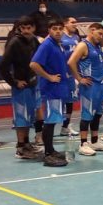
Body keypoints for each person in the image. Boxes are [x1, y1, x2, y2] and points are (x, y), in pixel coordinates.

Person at [30, 19, 72, 166]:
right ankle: (48, 153)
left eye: (60, 28)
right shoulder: (47, 45)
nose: (58, 31)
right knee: (50, 121)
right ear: (49, 30)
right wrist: (49, 77)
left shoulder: (58, 45)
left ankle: (51, 150)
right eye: (55, 28)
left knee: (53, 121)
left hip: (58, 89)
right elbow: (34, 64)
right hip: (51, 89)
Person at [0, 17, 41, 160]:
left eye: (29, 28)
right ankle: (20, 148)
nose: (26, 31)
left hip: (33, 84)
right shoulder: (14, 42)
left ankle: (27, 144)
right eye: (23, 28)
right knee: (21, 118)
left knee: (29, 116)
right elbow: (3, 66)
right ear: (19, 28)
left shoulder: (34, 41)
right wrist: (14, 82)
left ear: (34, 28)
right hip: (21, 88)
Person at [68, 23, 103, 155]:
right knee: (87, 115)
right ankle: (83, 143)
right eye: (99, 33)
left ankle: (95, 141)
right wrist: (79, 79)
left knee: (98, 114)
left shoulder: (97, 45)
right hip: (89, 85)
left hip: (100, 84)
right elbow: (71, 62)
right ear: (91, 31)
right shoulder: (83, 45)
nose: (101, 36)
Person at [59, 17, 81, 138]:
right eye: (72, 22)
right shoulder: (60, 36)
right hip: (61, 74)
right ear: (65, 24)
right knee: (59, 102)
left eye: (76, 22)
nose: (75, 24)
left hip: (72, 74)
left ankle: (65, 126)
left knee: (70, 102)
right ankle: (45, 128)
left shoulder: (76, 37)